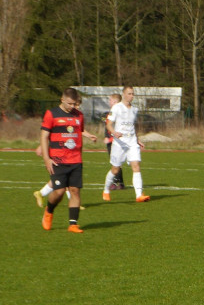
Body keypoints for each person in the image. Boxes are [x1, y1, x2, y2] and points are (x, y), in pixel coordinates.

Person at [39, 87, 97, 232]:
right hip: (58, 160)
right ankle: (49, 210)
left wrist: (88, 135)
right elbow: (44, 136)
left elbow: (79, 130)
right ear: (62, 99)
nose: (72, 107)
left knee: (75, 191)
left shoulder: (79, 115)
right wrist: (46, 158)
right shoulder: (51, 114)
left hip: (76, 159)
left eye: (74, 104)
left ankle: (73, 224)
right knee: (58, 192)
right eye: (69, 104)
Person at [102, 86, 150, 202]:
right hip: (119, 143)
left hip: (132, 141)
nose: (131, 96)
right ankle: (106, 190)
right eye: (129, 93)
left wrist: (137, 139)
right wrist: (114, 132)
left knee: (136, 166)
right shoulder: (116, 108)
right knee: (115, 169)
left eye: (133, 94)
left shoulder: (135, 109)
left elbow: (133, 126)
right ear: (123, 94)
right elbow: (109, 124)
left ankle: (139, 195)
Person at [104, 93, 126, 189]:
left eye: (110, 100)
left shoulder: (119, 113)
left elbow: (120, 130)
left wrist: (110, 138)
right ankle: (119, 183)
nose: (109, 102)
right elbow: (107, 126)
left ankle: (117, 183)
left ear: (116, 102)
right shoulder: (111, 113)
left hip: (115, 141)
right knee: (115, 162)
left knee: (116, 163)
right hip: (111, 140)